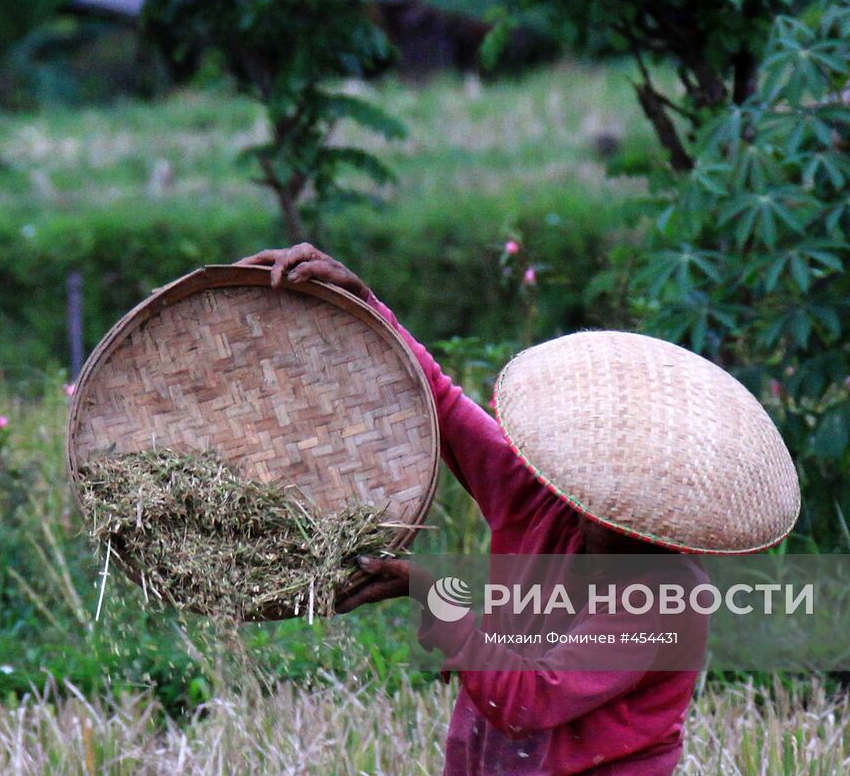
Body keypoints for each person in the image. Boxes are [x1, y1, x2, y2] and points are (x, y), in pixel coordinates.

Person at [236, 244, 800, 775]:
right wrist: (366, 306)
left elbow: (529, 699)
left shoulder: (667, 600)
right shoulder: (542, 504)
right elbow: (444, 406)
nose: (600, 508)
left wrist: (432, 594)